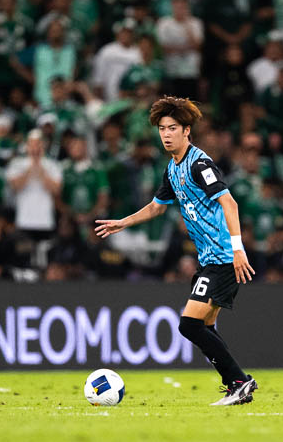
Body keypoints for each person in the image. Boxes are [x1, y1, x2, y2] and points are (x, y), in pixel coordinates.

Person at [95, 96, 258, 406]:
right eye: (162, 129)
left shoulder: (199, 164)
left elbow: (229, 203)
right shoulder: (172, 169)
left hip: (224, 257)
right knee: (204, 326)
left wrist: (238, 250)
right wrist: (123, 222)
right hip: (209, 259)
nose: (166, 134)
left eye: (172, 128)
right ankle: (236, 384)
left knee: (189, 324)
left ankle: (239, 381)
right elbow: (157, 207)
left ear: (186, 131)